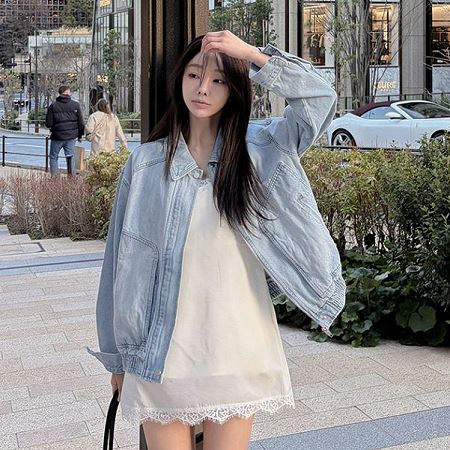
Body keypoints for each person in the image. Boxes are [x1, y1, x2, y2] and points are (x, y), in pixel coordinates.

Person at [87, 31, 345, 450]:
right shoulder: (146, 164)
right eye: (194, 75)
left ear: (234, 89)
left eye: (219, 79)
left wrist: (250, 55)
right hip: (160, 353)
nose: (203, 88)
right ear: (179, 80)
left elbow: (319, 98)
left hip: (237, 345)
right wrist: (117, 359)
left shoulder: (263, 150)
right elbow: (118, 265)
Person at [45, 85, 84, 177]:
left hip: (57, 136)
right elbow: (81, 123)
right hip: (71, 136)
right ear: (68, 92)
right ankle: (71, 177)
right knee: (70, 156)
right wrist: (80, 135)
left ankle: (55, 178)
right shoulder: (75, 105)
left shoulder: (53, 106)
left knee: (54, 157)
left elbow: (48, 123)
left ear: (59, 93)